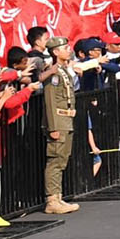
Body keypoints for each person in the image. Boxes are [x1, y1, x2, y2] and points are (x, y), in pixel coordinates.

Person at [40, 37, 82, 215]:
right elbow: (50, 101)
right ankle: (52, 200)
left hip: (66, 119)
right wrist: (53, 127)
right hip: (58, 120)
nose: (68, 50)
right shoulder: (53, 72)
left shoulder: (63, 70)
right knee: (55, 161)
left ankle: (58, 196)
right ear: (55, 52)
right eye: (65, 48)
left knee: (62, 159)